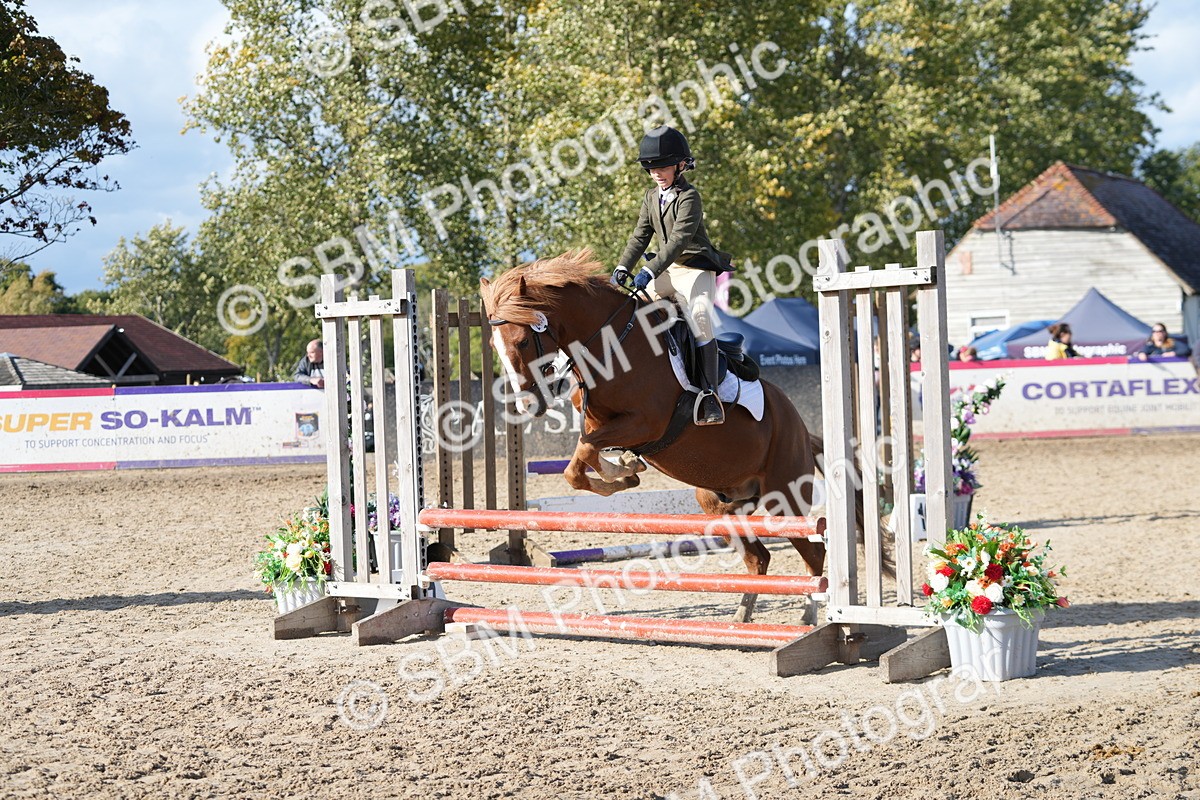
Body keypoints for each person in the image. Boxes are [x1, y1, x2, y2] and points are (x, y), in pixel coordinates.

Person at [614, 126, 732, 425]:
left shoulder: (690, 197)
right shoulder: (650, 197)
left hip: (694, 270)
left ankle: (710, 395)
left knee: (701, 320)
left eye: (663, 167)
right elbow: (640, 236)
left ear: (680, 165)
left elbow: (679, 240)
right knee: (631, 312)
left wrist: (648, 270)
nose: (657, 173)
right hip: (665, 270)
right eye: (652, 168)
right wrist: (622, 267)